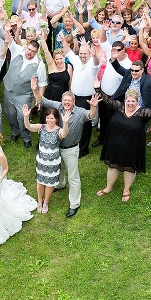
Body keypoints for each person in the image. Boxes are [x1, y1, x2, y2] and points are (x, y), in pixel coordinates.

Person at [94, 87, 151, 201]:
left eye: (133, 101)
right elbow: (106, 99)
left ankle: (126, 190)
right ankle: (108, 187)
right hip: (115, 144)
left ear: (137, 101)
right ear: (125, 100)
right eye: (128, 101)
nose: (130, 103)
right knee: (112, 166)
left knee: (129, 168)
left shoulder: (142, 112)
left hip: (132, 146)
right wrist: (97, 88)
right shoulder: (119, 107)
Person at [33, 82, 99, 218]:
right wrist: (35, 90)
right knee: (60, 169)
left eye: (69, 101)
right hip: (56, 149)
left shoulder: (80, 112)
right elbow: (42, 100)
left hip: (71, 149)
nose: (66, 103)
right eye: (64, 100)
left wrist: (93, 107)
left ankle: (74, 204)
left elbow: (91, 116)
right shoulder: (57, 107)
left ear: (73, 102)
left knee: (73, 177)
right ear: (61, 101)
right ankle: (60, 184)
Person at [3, 27, 48, 149]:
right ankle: (15, 131)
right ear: (26, 46)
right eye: (29, 49)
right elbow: (9, 39)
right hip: (9, 90)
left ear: (36, 52)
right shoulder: (18, 51)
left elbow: (43, 83)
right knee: (10, 114)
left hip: (24, 95)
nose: (29, 52)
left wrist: (40, 99)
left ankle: (26, 137)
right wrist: (7, 28)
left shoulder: (40, 65)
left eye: (33, 51)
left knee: (22, 116)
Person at [22, 104, 71, 214]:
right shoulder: (41, 127)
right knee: (40, 181)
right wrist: (26, 116)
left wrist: (66, 122)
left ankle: (46, 201)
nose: (49, 120)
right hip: (41, 161)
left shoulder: (59, 130)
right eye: (47, 117)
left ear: (56, 119)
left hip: (53, 162)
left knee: (50, 183)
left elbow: (65, 134)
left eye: (52, 118)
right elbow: (28, 126)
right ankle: (40, 200)